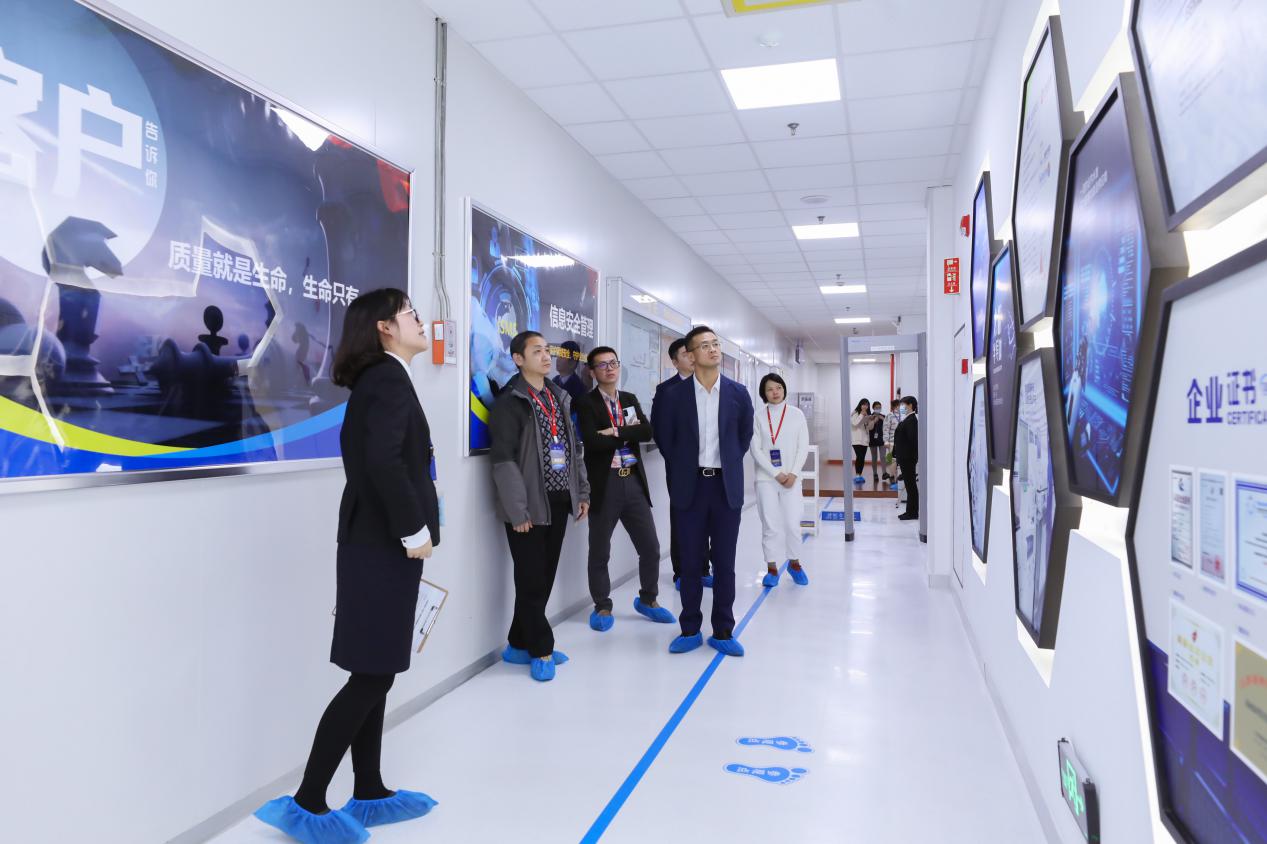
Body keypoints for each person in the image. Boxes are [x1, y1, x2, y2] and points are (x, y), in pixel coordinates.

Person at [255, 289, 439, 843]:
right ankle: (308, 803)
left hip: (377, 543)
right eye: (410, 314)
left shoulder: (382, 378)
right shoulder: (386, 380)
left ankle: (370, 789)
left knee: (377, 668)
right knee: (372, 673)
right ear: (384, 327)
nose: (420, 320)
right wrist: (413, 528)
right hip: (383, 544)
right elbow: (382, 461)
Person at [490, 331, 591, 682]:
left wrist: (582, 493)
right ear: (518, 359)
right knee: (531, 579)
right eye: (537, 351)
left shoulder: (557, 396)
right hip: (528, 505)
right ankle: (541, 647)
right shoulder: (511, 401)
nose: (547, 356)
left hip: (558, 500)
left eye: (548, 350)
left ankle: (518, 643)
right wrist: (517, 510)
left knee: (543, 577)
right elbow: (503, 461)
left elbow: (573, 448)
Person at [652, 325, 754, 657]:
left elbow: (743, 437)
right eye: (704, 345)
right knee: (691, 563)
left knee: (725, 562)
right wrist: (685, 468)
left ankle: (723, 631)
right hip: (690, 487)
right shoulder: (672, 395)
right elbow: (665, 439)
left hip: (725, 488)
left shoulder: (738, 393)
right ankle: (690, 629)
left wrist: (726, 463)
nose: (713, 349)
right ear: (690, 355)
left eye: (715, 344)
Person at [575, 346, 675, 631]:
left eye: (613, 363)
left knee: (651, 547)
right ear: (592, 372)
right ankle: (602, 606)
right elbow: (593, 442)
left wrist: (615, 431)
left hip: (632, 480)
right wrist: (625, 434)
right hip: (604, 483)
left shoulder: (628, 399)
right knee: (600, 551)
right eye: (602, 365)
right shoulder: (586, 403)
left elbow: (646, 431)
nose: (610, 368)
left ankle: (648, 599)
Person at [653, 337, 713, 591]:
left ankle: (703, 568)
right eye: (685, 354)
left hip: (709, 466)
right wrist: (678, 462)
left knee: (706, 517)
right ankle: (681, 571)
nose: (691, 356)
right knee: (682, 517)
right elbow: (661, 431)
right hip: (680, 468)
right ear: (675, 361)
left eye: (692, 352)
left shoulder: (709, 385)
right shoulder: (666, 390)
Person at [750, 373, 810, 588]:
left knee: (793, 523)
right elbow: (755, 449)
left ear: (784, 389)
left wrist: (793, 473)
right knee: (770, 525)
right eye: (769, 389)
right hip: (766, 479)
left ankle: (795, 564)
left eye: (778, 387)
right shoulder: (758, 416)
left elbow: (803, 446)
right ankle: (772, 569)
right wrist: (776, 473)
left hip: (792, 479)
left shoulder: (796, 414)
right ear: (763, 393)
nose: (775, 392)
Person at [893, 396, 920, 521]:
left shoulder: (912, 420)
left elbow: (912, 441)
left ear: (910, 405)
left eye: (903, 405)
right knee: (910, 485)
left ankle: (912, 512)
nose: (901, 407)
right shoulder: (907, 419)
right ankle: (911, 511)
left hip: (908, 458)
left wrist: (908, 455)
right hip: (905, 457)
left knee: (911, 486)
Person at [849, 399, 872, 482]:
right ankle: (857, 475)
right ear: (860, 405)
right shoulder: (855, 413)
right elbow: (854, 424)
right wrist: (862, 414)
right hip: (856, 440)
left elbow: (870, 428)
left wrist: (870, 420)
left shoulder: (868, 414)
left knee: (862, 458)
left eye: (867, 405)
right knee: (859, 456)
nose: (865, 406)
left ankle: (859, 475)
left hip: (865, 440)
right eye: (863, 404)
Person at [867, 400, 886, 484]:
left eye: (879, 407)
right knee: (874, 458)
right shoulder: (870, 417)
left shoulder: (883, 416)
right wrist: (874, 421)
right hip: (873, 440)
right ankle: (875, 474)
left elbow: (888, 425)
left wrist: (882, 419)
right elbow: (869, 428)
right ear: (873, 408)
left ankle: (884, 473)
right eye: (876, 408)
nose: (878, 409)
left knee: (883, 457)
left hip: (882, 439)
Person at [882, 399, 901, 482]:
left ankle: (897, 477)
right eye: (899, 405)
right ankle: (892, 476)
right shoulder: (889, 415)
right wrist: (885, 441)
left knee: (898, 460)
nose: (901, 407)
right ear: (895, 406)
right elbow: (885, 429)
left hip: (901, 442)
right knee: (891, 459)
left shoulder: (903, 415)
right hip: (891, 442)